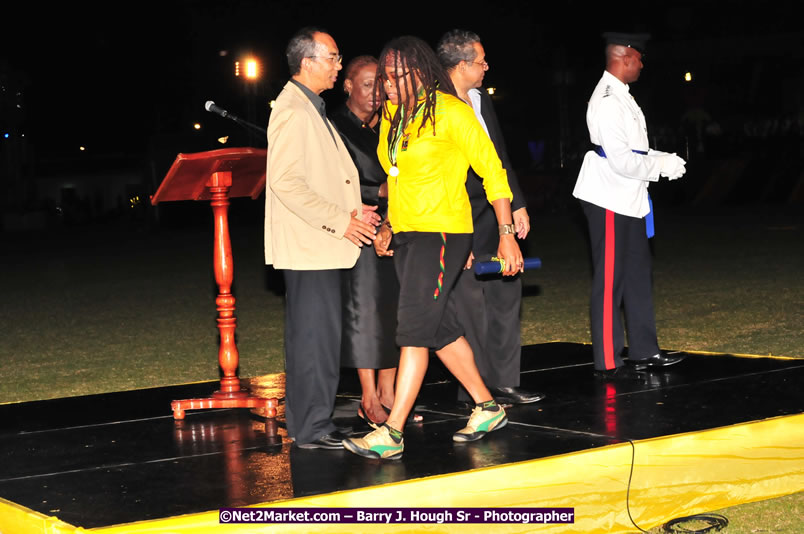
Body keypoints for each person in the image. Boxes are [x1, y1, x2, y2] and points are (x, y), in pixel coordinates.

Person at [343, 36, 523, 460]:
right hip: (408, 235)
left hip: (443, 234)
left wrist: (506, 231)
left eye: (396, 77)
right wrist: (388, 225)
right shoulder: (393, 118)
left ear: (421, 73)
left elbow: (493, 172)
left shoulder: (452, 112)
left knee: (413, 332)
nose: (387, 85)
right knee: (437, 328)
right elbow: (398, 177)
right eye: (384, 77)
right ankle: (487, 406)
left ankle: (392, 431)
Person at [264, 27, 377, 449]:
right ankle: (311, 427)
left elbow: (320, 176)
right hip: (310, 248)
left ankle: (314, 421)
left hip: (321, 245)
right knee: (313, 340)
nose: (338, 64)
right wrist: (339, 220)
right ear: (307, 62)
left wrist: (352, 210)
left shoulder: (311, 107)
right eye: (331, 57)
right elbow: (286, 183)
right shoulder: (294, 109)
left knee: (322, 337)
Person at [437, 29, 544, 406]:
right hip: (458, 212)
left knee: (505, 290)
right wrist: (452, 232)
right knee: (469, 304)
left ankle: (505, 381)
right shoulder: (437, 105)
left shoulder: (482, 100)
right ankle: (475, 390)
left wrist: (516, 203)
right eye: (481, 61)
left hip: (495, 207)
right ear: (462, 65)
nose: (487, 66)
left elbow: (498, 157)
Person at [572, 32, 687, 380]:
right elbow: (621, 161)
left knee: (638, 274)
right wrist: (660, 167)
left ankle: (644, 350)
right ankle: (608, 361)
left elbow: (634, 151)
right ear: (624, 57)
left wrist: (662, 157)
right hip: (608, 196)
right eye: (639, 57)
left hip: (629, 197)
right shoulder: (607, 99)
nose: (642, 63)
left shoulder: (622, 96)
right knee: (610, 280)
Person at [328, 56, 401, 427]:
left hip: (397, 224)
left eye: (381, 84)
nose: (376, 92)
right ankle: (368, 397)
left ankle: (389, 394)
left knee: (395, 313)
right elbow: (333, 181)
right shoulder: (333, 127)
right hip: (360, 227)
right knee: (366, 314)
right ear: (348, 86)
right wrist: (379, 189)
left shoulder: (390, 125)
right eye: (367, 83)